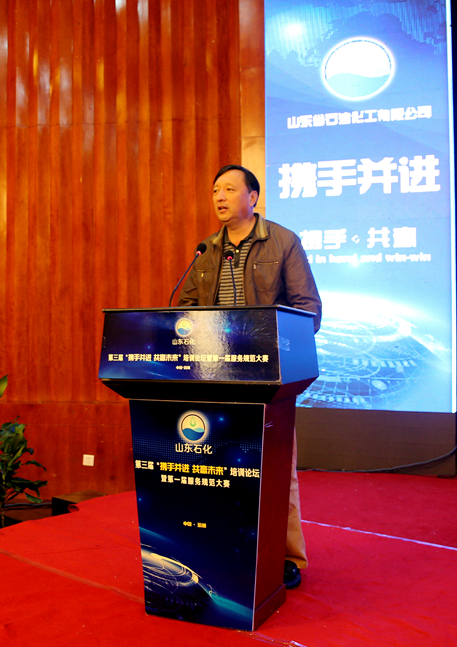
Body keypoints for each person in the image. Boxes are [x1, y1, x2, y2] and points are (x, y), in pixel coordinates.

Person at [178, 164, 321, 590]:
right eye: (215, 190)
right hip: (214, 375)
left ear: (253, 197)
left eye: (228, 189)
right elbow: (185, 308)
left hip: (267, 376)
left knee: (275, 469)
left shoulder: (282, 241)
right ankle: (225, 548)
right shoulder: (207, 250)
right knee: (220, 468)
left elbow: (308, 308)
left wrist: (269, 345)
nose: (219, 197)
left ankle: (285, 556)